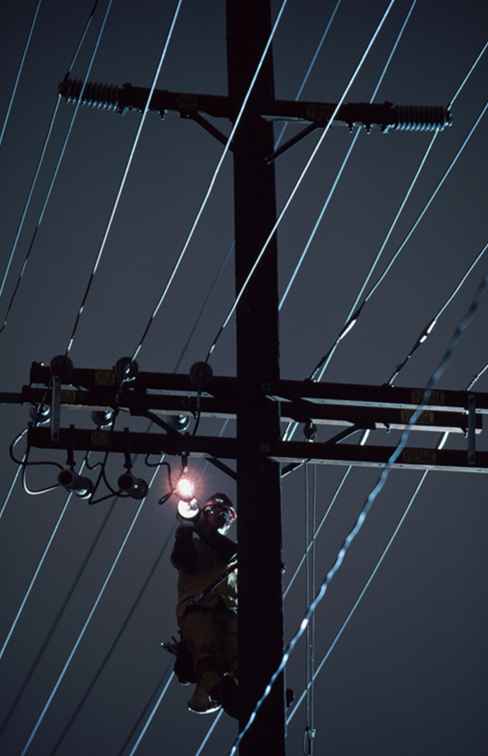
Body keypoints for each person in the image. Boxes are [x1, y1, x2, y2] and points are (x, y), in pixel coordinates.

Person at [170, 493, 238, 716]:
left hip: (228, 612)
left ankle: (251, 694)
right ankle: (223, 694)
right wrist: (186, 529)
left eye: (225, 515)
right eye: (214, 513)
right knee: (206, 658)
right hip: (198, 609)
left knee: (242, 656)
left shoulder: (234, 553)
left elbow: (231, 553)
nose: (219, 518)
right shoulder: (193, 544)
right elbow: (182, 559)